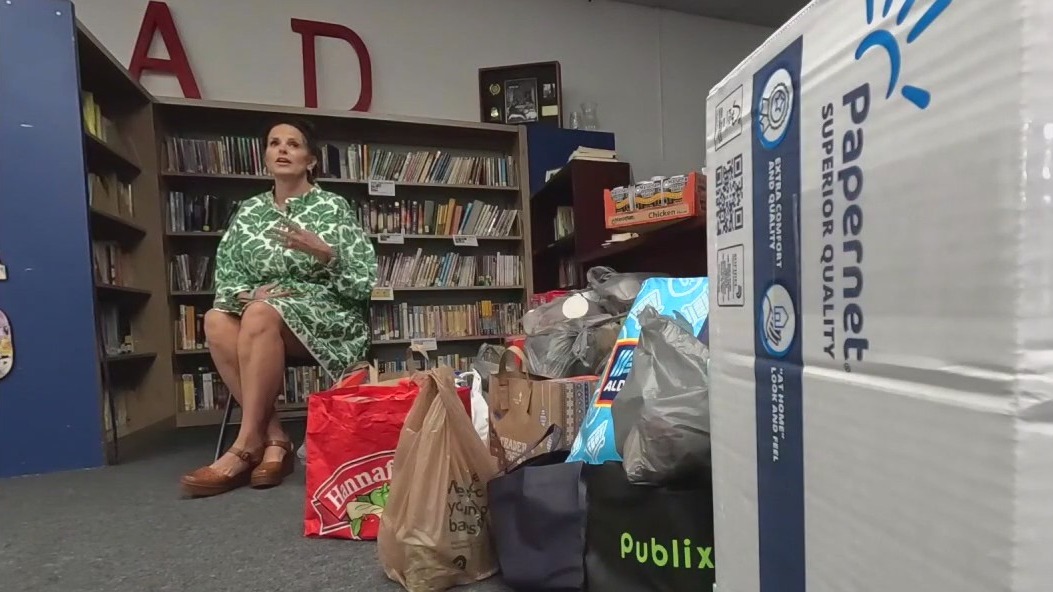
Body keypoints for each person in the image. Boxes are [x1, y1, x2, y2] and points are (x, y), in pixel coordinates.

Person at [180, 119, 377, 497]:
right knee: (217, 320)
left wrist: (326, 255)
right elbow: (228, 274)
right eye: (274, 143)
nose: (283, 150)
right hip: (262, 310)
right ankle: (273, 438)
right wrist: (246, 295)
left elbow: (363, 282)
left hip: (326, 313)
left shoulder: (333, 207)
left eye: (293, 144)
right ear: (266, 156)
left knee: (260, 311)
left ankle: (245, 444)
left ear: (311, 160)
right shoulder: (249, 211)